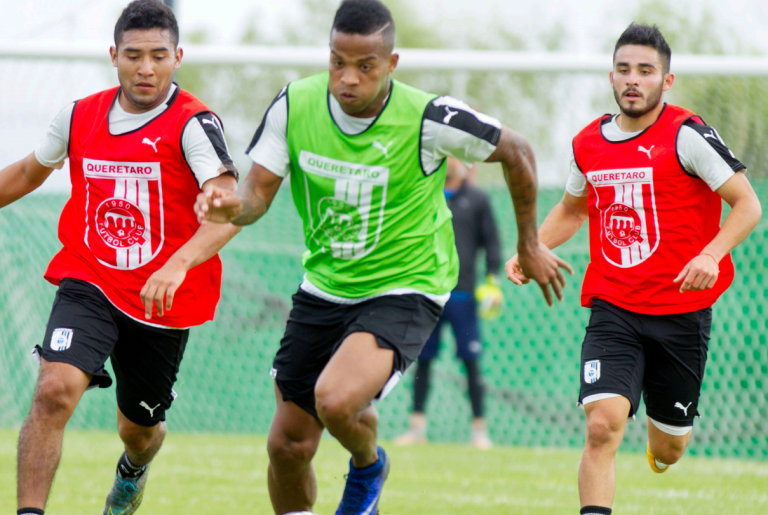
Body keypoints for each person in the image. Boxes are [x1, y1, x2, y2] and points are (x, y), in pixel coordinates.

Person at [195, 1, 571, 513]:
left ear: (390, 65)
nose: (347, 78)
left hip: (406, 285)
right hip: (325, 284)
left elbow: (519, 151)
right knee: (287, 447)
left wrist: (529, 244)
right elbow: (257, 195)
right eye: (337, 63)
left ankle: (368, 465)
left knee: (335, 399)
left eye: (365, 66)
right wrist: (229, 207)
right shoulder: (294, 104)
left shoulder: (429, 118)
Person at [506, 22, 762, 515]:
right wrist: (530, 246)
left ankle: (663, 440)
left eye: (645, 71)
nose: (633, 80)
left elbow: (747, 205)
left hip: (682, 312)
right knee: (601, 426)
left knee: (669, 449)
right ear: (611, 76)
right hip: (614, 307)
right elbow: (575, 209)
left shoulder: (688, 135)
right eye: (624, 69)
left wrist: (711, 253)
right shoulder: (589, 143)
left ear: (665, 81)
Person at [0, 2, 241, 514]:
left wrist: (177, 264)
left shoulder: (193, 124)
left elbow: (225, 211)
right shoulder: (79, 115)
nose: (146, 68)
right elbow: (26, 173)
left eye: (158, 55)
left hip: (160, 298)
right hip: (88, 276)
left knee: (139, 430)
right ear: (114, 56)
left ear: (178, 56)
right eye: (133, 55)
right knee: (53, 391)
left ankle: (132, 471)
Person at [395, 157, 502, 449]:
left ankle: (479, 430)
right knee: (423, 361)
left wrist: (493, 279)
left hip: (464, 297)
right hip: (427, 295)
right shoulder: (424, 194)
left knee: (471, 362)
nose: (451, 160)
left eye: (456, 154)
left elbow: (491, 241)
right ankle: (416, 428)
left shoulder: (477, 199)